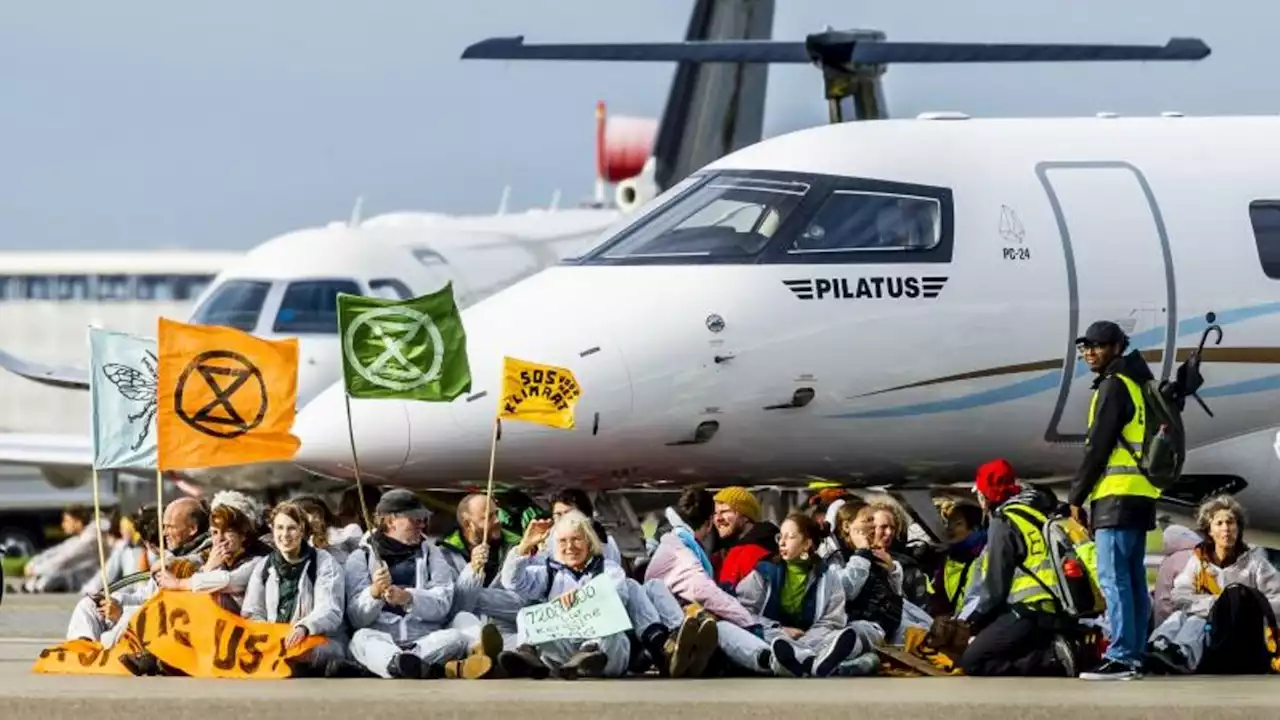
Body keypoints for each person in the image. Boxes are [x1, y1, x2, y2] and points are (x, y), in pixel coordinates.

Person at [1068, 320, 1161, 680]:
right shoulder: (1137, 384)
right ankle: (1135, 653)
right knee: (1134, 579)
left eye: (1099, 345)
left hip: (1115, 497)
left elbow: (1097, 447)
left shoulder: (1112, 387)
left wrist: (1076, 495)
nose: (1090, 352)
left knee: (1113, 578)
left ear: (1117, 348)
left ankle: (1122, 655)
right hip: (1139, 495)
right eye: (1086, 346)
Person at [345, 489, 500, 680]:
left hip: (425, 639)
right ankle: (402, 663)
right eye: (415, 519)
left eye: (423, 518)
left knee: (456, 636)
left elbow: (443, 603)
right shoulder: (359, 557)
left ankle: (406, 664)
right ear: (391, 520)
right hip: (382, 637)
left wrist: (409, 598)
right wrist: (373, 594)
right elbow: (355, 618)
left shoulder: (433, 554)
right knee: (360, 638)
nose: (421, 525)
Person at [959, 459, 1076, 677]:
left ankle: (1050, 659)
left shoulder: (1003, 522)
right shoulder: (1036, 513)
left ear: (987, 495)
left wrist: (973, 621)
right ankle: (1056, 647)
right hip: (1057, 609)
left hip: (1029, 612)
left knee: (972, 661)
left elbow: (995, 589)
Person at [1146, 495, 1280, 675]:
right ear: (1209, 531)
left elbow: (1277, 599)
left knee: (1196, 620)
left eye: (1231, 522)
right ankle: (1159, 646)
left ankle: (1182, 654)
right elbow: (1180, 595)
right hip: (1212, 628)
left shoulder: (1256, 564)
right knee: (1182, 616)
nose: (1226, 529)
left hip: (1243, 632)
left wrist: (1242, 606)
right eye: (1219, 523)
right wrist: (1214, 605)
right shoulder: (1199, 561)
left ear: (1238, 528)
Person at [498, 511, 632, 679]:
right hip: (567, 650)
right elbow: (512, 582)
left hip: (606, 652)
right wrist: (523, 547)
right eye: (563, 541)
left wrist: (583, 598)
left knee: (612, 632)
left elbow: (617, 598)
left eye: (576, 539)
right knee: (526, 614)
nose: (569, 546)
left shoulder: (610, 570)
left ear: (589, 541)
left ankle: (589, 655)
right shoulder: (550, 573)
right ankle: (528, 655)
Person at [241, 502, 363, 678]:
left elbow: (330, 609)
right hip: (276, 639)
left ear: (302, 530)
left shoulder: (324, 562)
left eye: (291, 528)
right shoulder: (264, 566)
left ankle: (334, 665)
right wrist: (267, 633)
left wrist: (304, 627)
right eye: (279, 528)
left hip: (318, 638)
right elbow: (252, 611)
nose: (285, 535)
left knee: (302, 653)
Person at [736, 512, 860, 677]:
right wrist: (780, 629)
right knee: (757, 636)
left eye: (790, 537)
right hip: (772, 635)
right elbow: (743, 611)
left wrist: (806, 640)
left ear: (807, 544)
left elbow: (832, 620)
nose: (782, 542)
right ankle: (810, 661)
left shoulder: (827, 576)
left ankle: (805, 659)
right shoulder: (764, 572)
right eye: (780, 536)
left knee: (858, 632)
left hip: (813, 638)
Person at [437, 494, 528, 651]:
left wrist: (475, 596)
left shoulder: (517, 548)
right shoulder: (443, 554)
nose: (497, 521)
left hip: (508, 632)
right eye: (489, 517)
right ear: (468, 524)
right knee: (462, 619)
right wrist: (472, 571)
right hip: (464, 633)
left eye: (497, 513)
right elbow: (454, 608)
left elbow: (522, 604)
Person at [154, 490, 271, 612]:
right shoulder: (216, 556)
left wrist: (179, 583)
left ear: (243, 533)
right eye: (215, 532)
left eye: (228, 531)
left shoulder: (260, 558)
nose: (220, 539)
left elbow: (227, 581)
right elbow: (197, 562)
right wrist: (170, 562)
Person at [710, 487, 779, 591]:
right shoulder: (769, 543)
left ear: (745, 517)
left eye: (725, 511)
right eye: (715, 513)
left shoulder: (748, 552)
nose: (718, 518)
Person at [22, 505, 104, 593]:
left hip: (87, 581)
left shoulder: (88, 541)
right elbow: (53, 552)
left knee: (53, 574)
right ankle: (32, 585)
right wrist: (33, 563)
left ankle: (34, 586)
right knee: (50, 571)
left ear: (78, 522)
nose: (63, 525)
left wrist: (35, 570)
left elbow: (63, 560)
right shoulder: (77, 539)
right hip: (77, 578)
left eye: (67, 521)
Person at [928, 499, 987, 619]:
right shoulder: (948, 558)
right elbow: (939, 595)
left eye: (958, 524)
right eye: (948, 523)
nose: (950, 528)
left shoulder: (985, 556)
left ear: (975, 528)